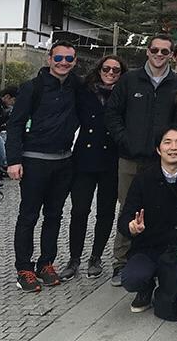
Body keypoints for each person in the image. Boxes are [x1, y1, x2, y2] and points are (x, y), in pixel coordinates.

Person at [106, 33, 177, 285]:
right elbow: (113, 113)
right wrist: (124, 139)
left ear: (171, 55)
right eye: (155, 50)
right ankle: (121, 262)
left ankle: (153, 256)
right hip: (130, 157)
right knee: (128, 208)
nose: (159, 55)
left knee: (162, 207)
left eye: (165, 51)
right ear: (147, 51)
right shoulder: (130, 80)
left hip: (162, 159)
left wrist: (172, 148)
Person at [7, 41, 81, 292]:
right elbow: (15, 124)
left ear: (75, 62)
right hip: (34, 160)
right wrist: (13, 160)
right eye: (58, 58)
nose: (63, 63)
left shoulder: (76, 88)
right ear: (49, 59)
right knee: (28, 216)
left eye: (68, 59)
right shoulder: (32, 88)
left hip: (63, 161)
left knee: (54, 215)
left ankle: (46, 263)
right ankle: (24, 268)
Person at [59, 55, 127, 281]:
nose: (110, 73)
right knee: (79, 210)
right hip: (85, 158)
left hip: (111, 159)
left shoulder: (124, 93)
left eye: (116, 70)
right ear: (99, 70)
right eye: (106, 68)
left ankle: (96, 257)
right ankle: (74, 258)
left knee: (106, 212)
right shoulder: (84, 90)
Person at [117, 126, 177, 317]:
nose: (173, 147)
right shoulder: (143, 179)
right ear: (159, 149)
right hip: (149, 247)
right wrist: (133, 227)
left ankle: (168, 280)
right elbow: (126, 216)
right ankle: (146, 286)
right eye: (167, 142)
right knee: (132, 278)